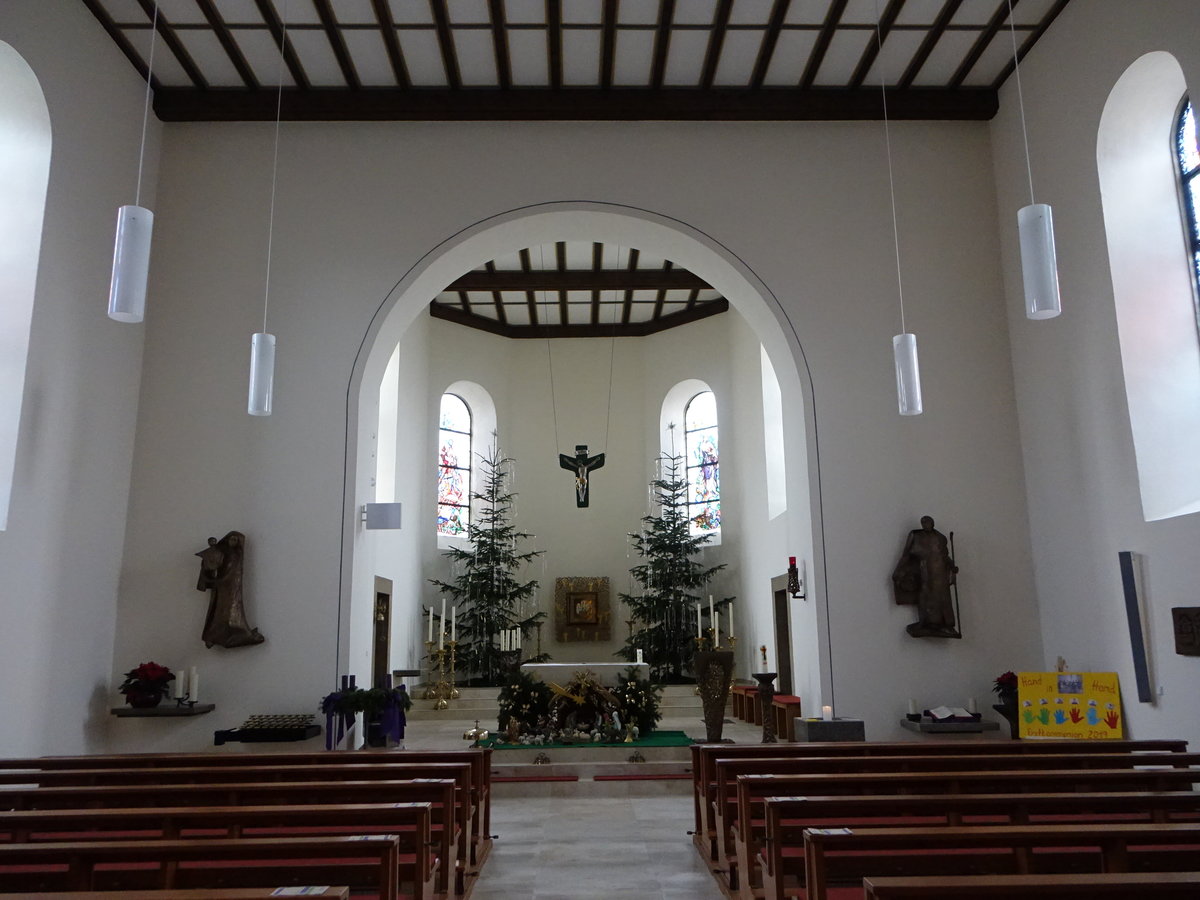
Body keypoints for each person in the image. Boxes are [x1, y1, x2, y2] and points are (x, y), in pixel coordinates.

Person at [196, 531, 265, 648]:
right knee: (220, 610)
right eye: (231, 540)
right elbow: (211, 566)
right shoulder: (222, 553)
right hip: (224, 585)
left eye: (235, 540)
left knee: (232, 610)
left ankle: (233, 634)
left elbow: (233, 569)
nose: (233, 542)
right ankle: (213, 636)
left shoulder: (236, 553)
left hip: (233, 586)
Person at [892, 515, 959, 637]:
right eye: (923, 522)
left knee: (942, 597)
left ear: (932, 523)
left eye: (927, 522)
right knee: (925, 596)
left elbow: (945, 556)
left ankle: (947, 625)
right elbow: (906, 555)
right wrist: (898, 570)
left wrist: (952, 566)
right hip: (925, 572)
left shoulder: (940, 538)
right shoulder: (916, 536)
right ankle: (926, 623)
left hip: (939, 573)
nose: (925, 524)